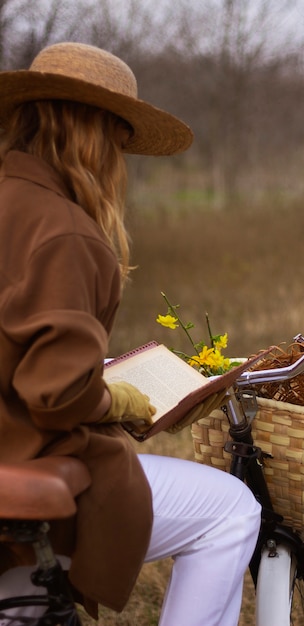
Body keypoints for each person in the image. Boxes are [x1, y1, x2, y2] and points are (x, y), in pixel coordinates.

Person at [0, 42, 261, 625]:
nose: (119, 162)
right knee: (231, 510)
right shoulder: (65, 231)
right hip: (34, 456)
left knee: (27, 604)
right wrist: (115, 396)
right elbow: (56, 394)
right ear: (94, 135)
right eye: (119, 142)